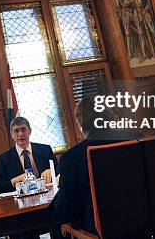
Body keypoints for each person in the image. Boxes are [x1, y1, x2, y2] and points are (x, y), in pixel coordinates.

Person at [53, 97, 134, 235]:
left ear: (80, 122)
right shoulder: (133, 140)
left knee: (57, 226)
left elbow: (66, 210)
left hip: (99, 230)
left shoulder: (72, 157)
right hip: (139, 223)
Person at [0, 117, 58, 195]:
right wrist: (14, 181)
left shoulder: (45, 150)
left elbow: (61, 169)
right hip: (21, 202)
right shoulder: (4, 159)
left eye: (23, 129)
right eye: (16, 131)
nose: (20, 134)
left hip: (48, 196)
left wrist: (51, 170)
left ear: (30, 131)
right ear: (12, 135)